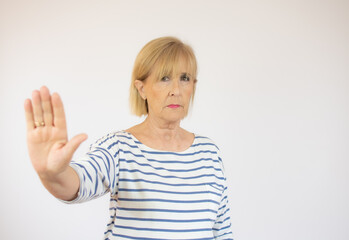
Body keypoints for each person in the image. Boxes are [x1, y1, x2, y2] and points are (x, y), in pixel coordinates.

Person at [24, 36, 234, 239]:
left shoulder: (209, 152)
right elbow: (77, 183)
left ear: (193, 87)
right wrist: (53, 174)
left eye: (185, 78)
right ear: (141, 88)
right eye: (165, 78)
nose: (176, 90)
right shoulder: (119, 148)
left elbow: (222, 232)